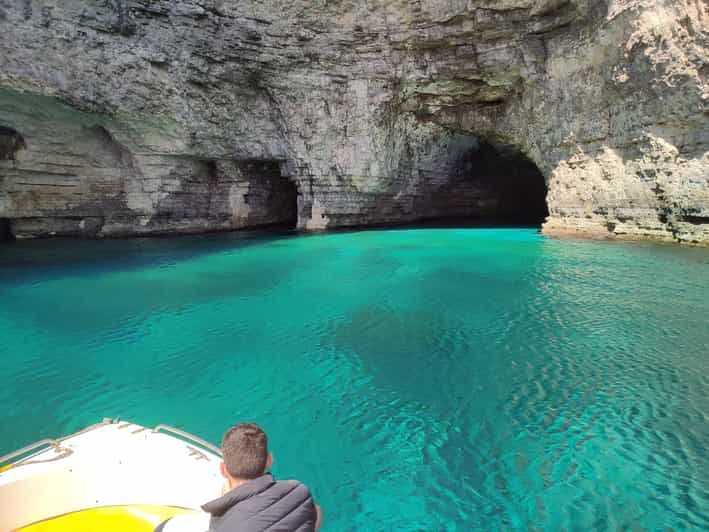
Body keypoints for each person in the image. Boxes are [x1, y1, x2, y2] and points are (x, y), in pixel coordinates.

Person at [157, 423, 322, 532]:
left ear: (223, 469)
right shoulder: (300, 492)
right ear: (269, 460)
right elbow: (316, 513)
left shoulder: (220, 525)